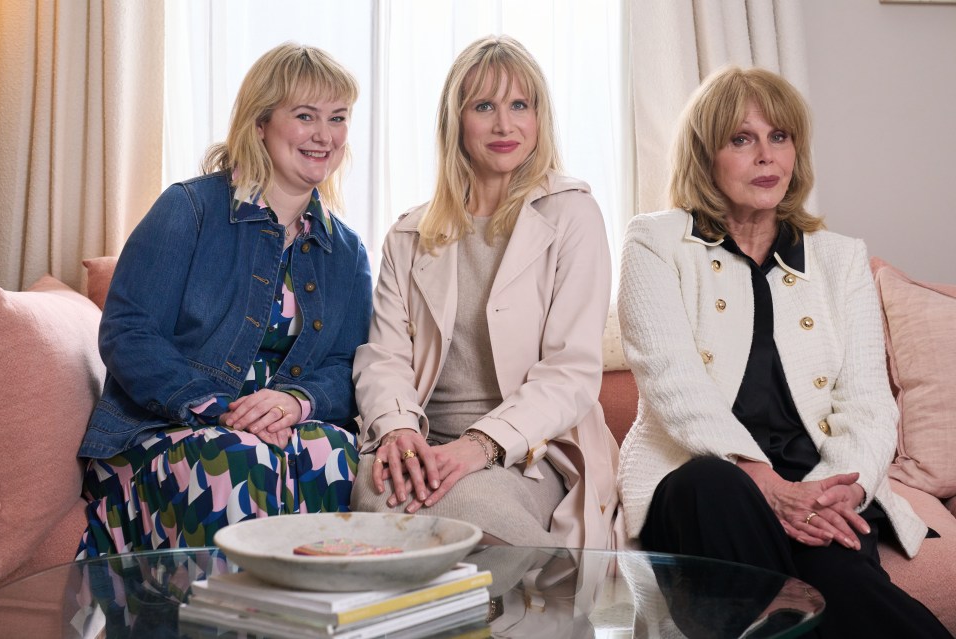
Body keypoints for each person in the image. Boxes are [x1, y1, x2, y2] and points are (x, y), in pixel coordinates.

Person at [615, 65, 951, 637]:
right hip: (704, 481)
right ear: (706, 156)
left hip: (817, 478)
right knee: (712, 486)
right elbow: (674, 384)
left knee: (843, 585)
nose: (766, 156)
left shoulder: (840, 258)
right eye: (741, 139)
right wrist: (766, 484)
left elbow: (869, 404)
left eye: (779, 137)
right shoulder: (655, 242)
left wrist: (831, 491)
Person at [76, 43, 373, 556]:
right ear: (260, 123)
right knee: (237, 460)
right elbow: (129, 332)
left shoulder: (345, 250)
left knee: (342, 454)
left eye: (338, 118)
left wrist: (295, 402)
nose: (325, 135)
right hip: (167, 428)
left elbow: (350, 363)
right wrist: (217, 408)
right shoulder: (188, 209)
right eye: (305, 116)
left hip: (282, 430)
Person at [351, 35, 620, 549]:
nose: (504, 124)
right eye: (484, 106)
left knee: (468, 511)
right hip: (423, 446)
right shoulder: (409, 234)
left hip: (529, 455)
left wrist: (481, 445)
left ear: (539, 119)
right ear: (457, 121)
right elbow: (384, 358)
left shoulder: (573, 215)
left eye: (520, 105)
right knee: (381, 496)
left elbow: (571, 372)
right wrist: (398, 432)